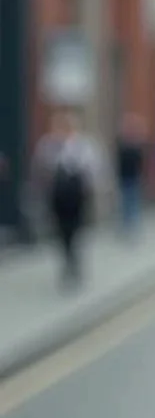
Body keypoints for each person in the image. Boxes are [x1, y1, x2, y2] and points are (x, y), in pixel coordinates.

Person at [32, 108, 103, 287]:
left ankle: (74, 261)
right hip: (57, 196)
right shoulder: (48, 145)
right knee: (61, 230)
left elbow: (93, 169)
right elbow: (40, 168)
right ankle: (68, 259)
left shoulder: (83, 145)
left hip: (77, 197)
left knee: (76, 229)